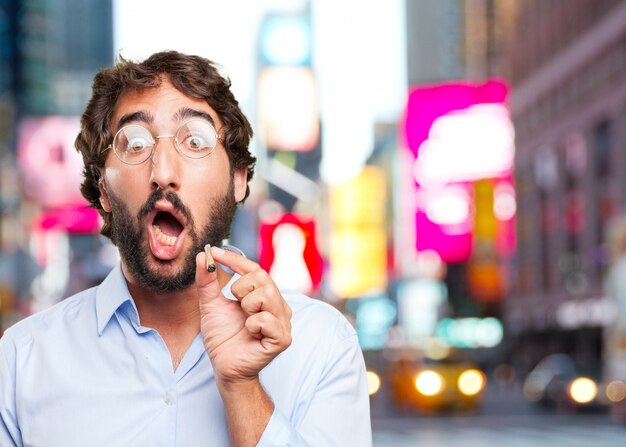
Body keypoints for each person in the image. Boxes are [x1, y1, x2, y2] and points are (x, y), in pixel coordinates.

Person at [0, 51, 372, 446]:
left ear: (238, 180)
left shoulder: (322, 343)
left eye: (195, 141)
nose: (162, 173)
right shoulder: (23, 359)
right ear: (104, 189)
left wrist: (243, 387)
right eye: (135, 143)